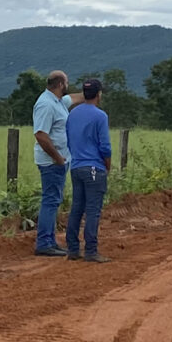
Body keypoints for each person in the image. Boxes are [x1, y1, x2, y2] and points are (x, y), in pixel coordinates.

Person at [65, 78, 112, 262]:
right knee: (93, 209)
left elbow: (68, 139)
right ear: (99, 94)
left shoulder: (73, 114)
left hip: (76, 166)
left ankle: (73, 249)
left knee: (77, 208)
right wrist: (107, 165)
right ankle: (91, 250)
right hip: (94, 167)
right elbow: (105, 146)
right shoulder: (100, 116)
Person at [30, 69, 72, 256]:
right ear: (61, 84)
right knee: (50, 200)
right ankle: (44, 243)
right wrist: (57, 158)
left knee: (53, 200)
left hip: (58, 161)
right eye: (67, 82)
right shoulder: (46, 105)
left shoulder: (58, 102)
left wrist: (92, 92)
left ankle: (49, 240)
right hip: (52, 162)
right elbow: (40, 134)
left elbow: (73, 99)